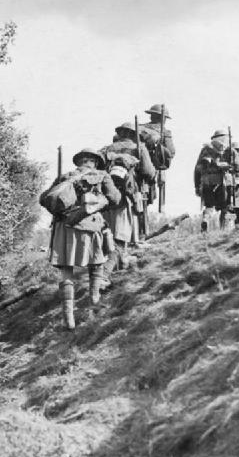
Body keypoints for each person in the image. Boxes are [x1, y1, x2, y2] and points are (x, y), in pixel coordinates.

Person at [40, 148, 121, 329]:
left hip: (64, 227)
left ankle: (68, 318)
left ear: (79, 162)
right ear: (95, 162)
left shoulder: (65, 177)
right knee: (97, 263)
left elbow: (43, 198)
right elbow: (115, 198)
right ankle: (94, 300)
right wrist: (101, 202)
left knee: (66, 271)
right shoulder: (101, 175)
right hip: (90, 226)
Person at [100, 123, 156, 270]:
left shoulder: (106, 149)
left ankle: (112, 262)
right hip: (128, 195)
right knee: (122, 234)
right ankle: (114, 266)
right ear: (133, 134)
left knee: (108, 232)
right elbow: (148, 172)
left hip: (107, 194)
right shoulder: (139, 148)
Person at [194, 130, 239, 232]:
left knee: (209, 206)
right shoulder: (231, 150)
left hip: (207, 182)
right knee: (225, 207)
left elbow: (197, 169)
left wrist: (197, 186)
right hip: (224, 183)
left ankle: (205, 220)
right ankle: (223, 230)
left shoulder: (205, 150)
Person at [141, 104, 176, 211]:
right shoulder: (165, 132)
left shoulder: (139, 128)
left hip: (136, 165)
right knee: (147, 197)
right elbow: (171, 152)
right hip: (151, 168)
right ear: (163, 118)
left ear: (151, 116)